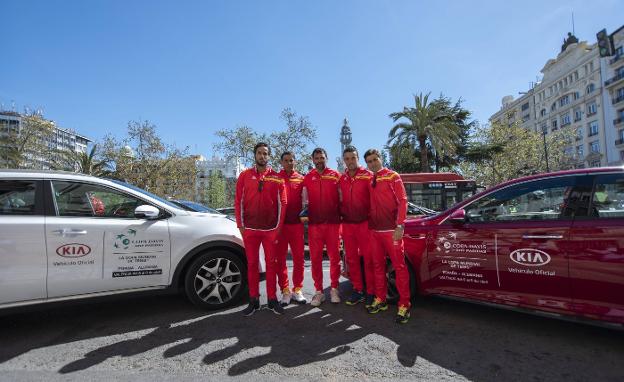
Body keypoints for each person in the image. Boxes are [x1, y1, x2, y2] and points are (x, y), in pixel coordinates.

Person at [235, 142, 287, 316]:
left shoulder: (277, 177)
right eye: (259, 153)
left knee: (271, 265)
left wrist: (278, 228)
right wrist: (240, 225)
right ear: (254, 155)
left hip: (270, 230)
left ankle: (272, 299)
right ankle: (254, 300)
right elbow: (238, 201)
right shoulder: (244, 175)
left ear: (269, 156)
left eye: (265, 153)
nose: (262, 156)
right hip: (249, 229)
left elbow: (283, 203)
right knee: (252, 265)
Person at [363, 148, 411, 324]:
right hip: (374, 231)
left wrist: (400, 225)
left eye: (375, 159)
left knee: (399, 267)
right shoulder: (369, 179)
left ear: (381, 159)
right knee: (377, 266)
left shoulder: (393, 176)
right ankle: (380, 299)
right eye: (369, 161)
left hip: (392, 231)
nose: (373, 163)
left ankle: (404, 304)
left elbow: (403, 201)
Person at [302, 147, 342, 306]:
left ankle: (334, 289)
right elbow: (303, 201)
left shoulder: (336, 176)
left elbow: (342, 198)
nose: (319, 160)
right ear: (313, 160)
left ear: (327, 158)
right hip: (314, 225)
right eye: (316, 158)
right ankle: (319, 292)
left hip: (333, 224)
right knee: (315, 259)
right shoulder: (308, 177)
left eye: (322, 157)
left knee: (335, 259)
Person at [339, 146, 376, 308]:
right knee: (352, 260)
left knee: (368, 259)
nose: (350, 161)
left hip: (365, 224)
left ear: (358, 158)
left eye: (352, 158)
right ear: (343, 160)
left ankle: (371, 292)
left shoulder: (368, 176)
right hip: (347, 225)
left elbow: (376, 199)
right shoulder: (342, 178)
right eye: (347, 159)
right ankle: (358, 290)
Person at [275, 151, 307, 305]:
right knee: (280, 260)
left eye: (291, 160)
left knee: (299, 259)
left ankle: (297, 290)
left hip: (297, 226)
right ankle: (285, 291)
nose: (289, 163)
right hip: (280, 227)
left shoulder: (301, 179)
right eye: (286, 160)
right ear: (281, 162)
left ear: (295, 161)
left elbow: (307, 201)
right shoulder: (276, 178)